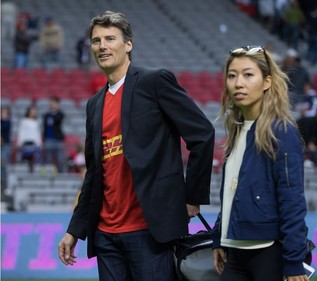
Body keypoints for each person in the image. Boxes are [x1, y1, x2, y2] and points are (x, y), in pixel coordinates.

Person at [57, 11, 215, 281]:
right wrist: (75, 229)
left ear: (128, 44)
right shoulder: (94, 104)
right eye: (96, 41)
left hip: (149, 230)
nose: (102, 46)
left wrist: (192, 196)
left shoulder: (154, 82)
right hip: (106, 234)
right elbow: (94, 173)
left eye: (110, 38)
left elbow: (202, 133)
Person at [211, 45, 308, 281]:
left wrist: (294, 261)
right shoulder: (235, 130)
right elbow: (233, 193)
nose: (238, 83)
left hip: (269, 254)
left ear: (266, 82)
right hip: (234, 254)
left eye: (248, 74)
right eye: (232, 76)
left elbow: (292, 199)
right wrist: (218, 238)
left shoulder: (281, 131)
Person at [17, 105, 43, 171]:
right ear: (29, 111)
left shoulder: (37, 122)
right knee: (25, 161)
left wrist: (39, 143)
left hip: (34, 144)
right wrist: (19, 143)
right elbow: (21, 132)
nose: (34, 112)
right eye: (32, 110)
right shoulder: (24, 121)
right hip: (26, 143)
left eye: (35, 111)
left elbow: (38, 133)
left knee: (34, 161)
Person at [42, 96, 65, 172]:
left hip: (58, 140)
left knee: (60, 160)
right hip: (48, 139)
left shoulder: (60, 114)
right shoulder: (46, 115)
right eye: (51, 103)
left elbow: (58, 120)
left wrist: (54, 113)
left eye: (54, 103)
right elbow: (44, 128)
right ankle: (50, 175)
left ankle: (61, 175)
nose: (52, 104)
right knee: (48, 160)